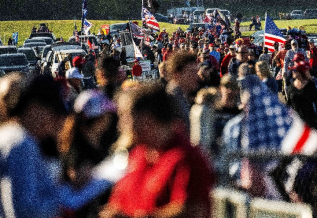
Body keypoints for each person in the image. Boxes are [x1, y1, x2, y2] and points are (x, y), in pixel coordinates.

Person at [0, 75, 116, 218]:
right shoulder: (21, 143)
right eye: (53, 112)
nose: (55, 121)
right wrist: (67, 198)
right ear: (34, 108)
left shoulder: (9, 135)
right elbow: (26, 210)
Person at [100, 84, 214, 218]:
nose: (120, 126)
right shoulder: (138, 154)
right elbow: (119, 201)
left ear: (146, 120)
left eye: (124, 117)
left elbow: (192, 211)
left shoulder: (186, 158)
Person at [59, 90, 119, 217]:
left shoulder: (98, 144)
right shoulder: (75, 149)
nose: (109, 119)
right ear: (98, 119)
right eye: (106, 115)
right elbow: (76, 180)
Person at [166, 53, 200, 133]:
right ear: (177, 75)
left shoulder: (182, 97)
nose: (197, 77)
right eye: (191, 72)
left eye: (196, 72)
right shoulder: (170, 101)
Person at [287, 61, 317, 131]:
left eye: (294, 70)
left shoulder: (310, 85)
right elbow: (288, 103)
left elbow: (316, 102)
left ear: (300, 72)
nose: (292, 72)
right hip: (296, 119)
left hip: (309, 118)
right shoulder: (291, 86)